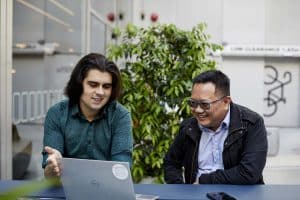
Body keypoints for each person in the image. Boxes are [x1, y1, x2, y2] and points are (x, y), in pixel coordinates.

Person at [164, 70, 268, 184]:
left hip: (240, 195)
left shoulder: (251, 124)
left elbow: (249, 172)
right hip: (196, 195)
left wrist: (203, 181)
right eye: (193, 103)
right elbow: (171, 163)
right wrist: (180, 190)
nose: (198, 110)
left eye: (205, 104)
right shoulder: (188, 127)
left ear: (225, 102)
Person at [42, 53, 133, 178]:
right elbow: (48, 174)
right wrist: (53, 166)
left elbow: (122, 169)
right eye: (93, 85)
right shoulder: (57, 114)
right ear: (79, 84)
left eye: (106, 86)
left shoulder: (120, 116)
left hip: (106, 190)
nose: (100, 92)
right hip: (64, 190)